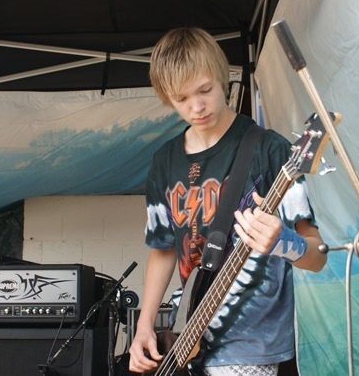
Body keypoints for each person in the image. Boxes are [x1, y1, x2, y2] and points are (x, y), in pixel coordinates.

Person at [128, 27, 327, 376]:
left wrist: (284, 243)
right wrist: (144, 326)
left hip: (252, 344)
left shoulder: (270, 149)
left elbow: (317, 256)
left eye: (205, 90)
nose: (197, 106)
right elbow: (163, 249)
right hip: (186, 337)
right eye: (181, 98)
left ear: (223, 78)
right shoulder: (164, 161)